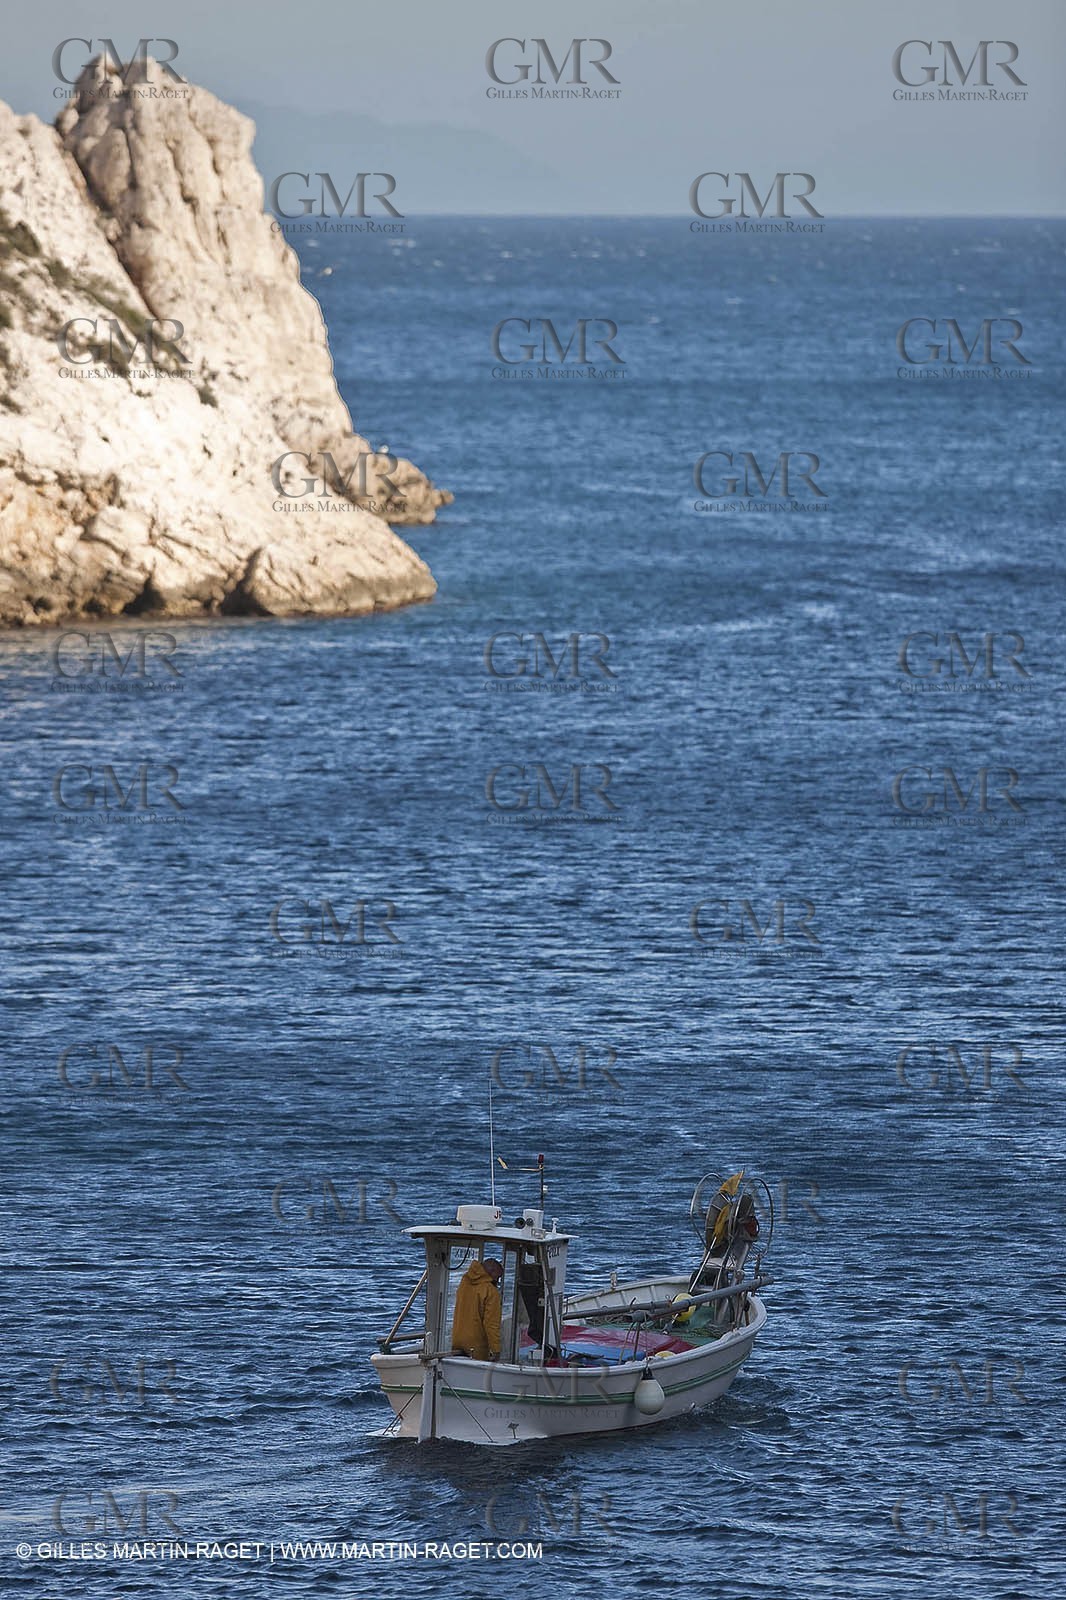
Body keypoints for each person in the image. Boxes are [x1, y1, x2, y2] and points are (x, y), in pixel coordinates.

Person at [451, 1257, 503, 1361]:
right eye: (498, 1276)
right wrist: (496, 1350)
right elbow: (491, 1324)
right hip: (476, 1345)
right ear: (492, 1271)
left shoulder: (465, 1281)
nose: (498, 1280)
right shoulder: (490, 1291)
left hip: (457, 1339)